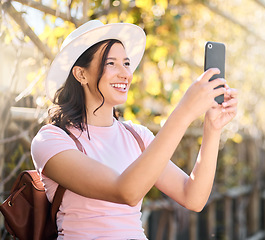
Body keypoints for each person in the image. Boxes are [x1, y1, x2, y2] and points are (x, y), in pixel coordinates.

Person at [31, 20, 238, 239]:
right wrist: (184, 111)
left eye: (127, 63)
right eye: (111, 63)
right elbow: (126, 191)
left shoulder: (137, 136)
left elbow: (193, 197)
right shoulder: (52, 140)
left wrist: (212, 128)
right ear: (81, 74)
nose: (125, 74)